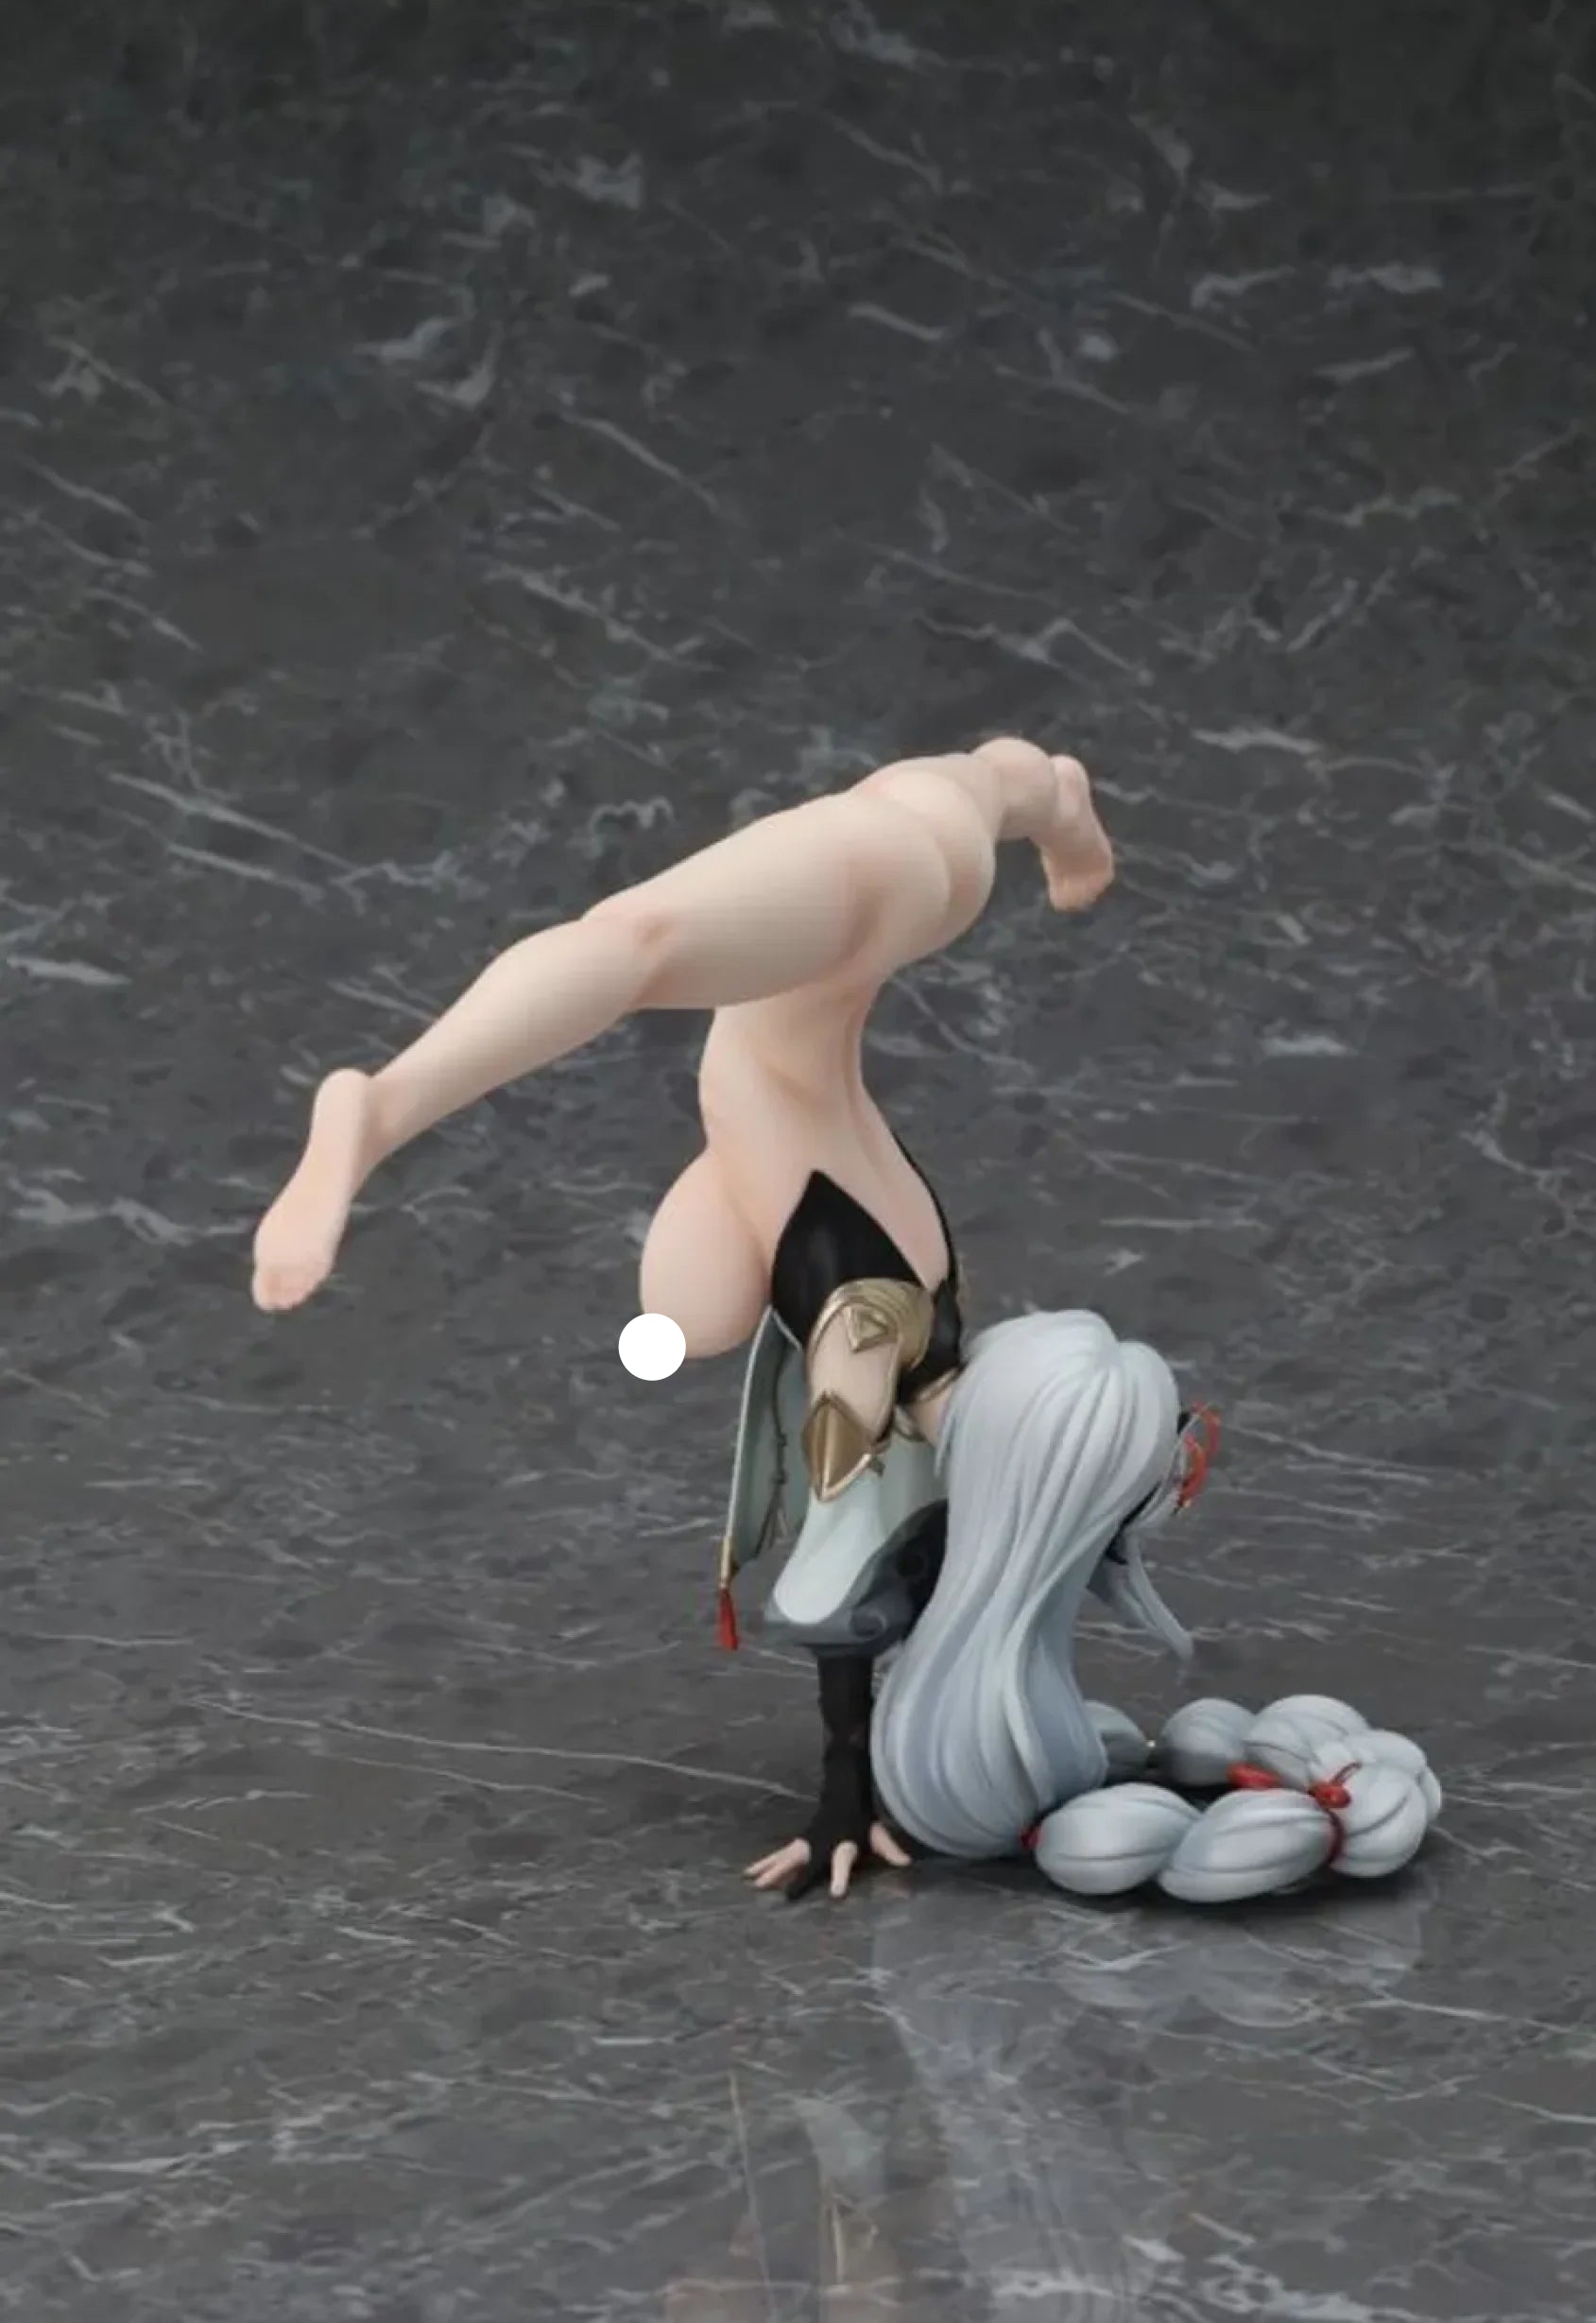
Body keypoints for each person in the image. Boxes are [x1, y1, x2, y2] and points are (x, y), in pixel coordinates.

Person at [252, 739, 1204, 1899]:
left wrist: (849, 1794)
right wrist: (850, 1790)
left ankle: (1053, 797)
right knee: (636, 942)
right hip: (887, 884)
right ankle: (379, 1108)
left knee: (692, 1305)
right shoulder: (881, 1364)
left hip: (868, 947)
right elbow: (842, 1592)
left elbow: (856, 1606)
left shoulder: (929, 1408)